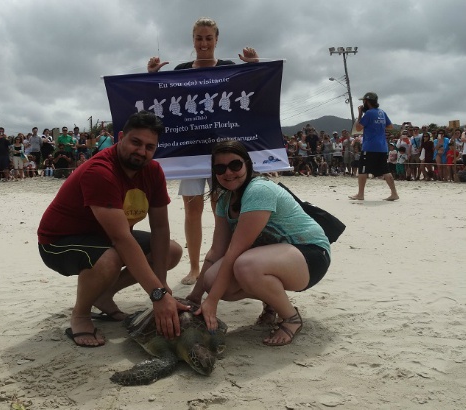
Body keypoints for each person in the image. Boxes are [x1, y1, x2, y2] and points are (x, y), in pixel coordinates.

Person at [37, 111, 186, 347]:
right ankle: (81, 315)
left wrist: (162, 283)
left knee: (171, 250)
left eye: (150, 146)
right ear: (120, 137)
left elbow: (160, 227)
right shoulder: (100, 171)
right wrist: (157, 295)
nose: (141, 152)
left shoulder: (153, 171)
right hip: (58, 242)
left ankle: (104, 295)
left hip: (104, 237)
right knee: (110, 259)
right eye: (135, 142)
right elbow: (122, 239)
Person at [147, 16, 259, 285]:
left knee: (222, 208)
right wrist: (151, 76)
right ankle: (195, 267)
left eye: (209, 38)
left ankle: (222, 263)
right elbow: (161, 97)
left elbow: (253, 91)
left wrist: (255, 67)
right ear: (193, 40)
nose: (204, 43)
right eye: (199, 38)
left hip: (223, 152)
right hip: (190, 152)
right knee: (191, 209)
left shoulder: (230, 67)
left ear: (217, 40)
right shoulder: (182, 69)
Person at [186, 140, 330, 346]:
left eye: (235, 165)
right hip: (274, 259)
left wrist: (212, 302)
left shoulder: (258, 190)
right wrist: (196, 296)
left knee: (244, 265)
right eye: (220, 168)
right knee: (211, 280)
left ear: (247, 164)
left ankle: (291, 318)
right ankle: (272, 301)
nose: (228, 172)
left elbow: (235, 252)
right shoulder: (224, 199)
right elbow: (217, 251)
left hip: (310, 255)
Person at [348, 92, 399, 201]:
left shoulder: (369, 113)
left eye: (364, 101)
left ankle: (360, 194)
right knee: (385, 170)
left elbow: (358, 128)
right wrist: (378, 126)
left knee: (362, 170)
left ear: (367, 101)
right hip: (382, 146)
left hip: (370, 146)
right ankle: (394, 193)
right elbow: (390, 126)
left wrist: (360, 113)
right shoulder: (382, 112)